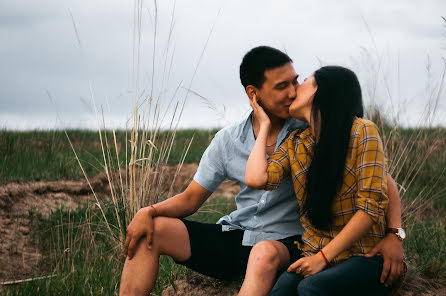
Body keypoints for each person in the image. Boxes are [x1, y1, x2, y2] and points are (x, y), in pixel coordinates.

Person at [119, 47, 405, 296]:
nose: (293, 92)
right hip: (238, 234)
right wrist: (150, 211)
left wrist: (394, 234)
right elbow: (192, 199)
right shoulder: (237, 141)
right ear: (254, 94)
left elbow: (381, 181)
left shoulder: (315, 129)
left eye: (297, 82)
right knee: (151, 231)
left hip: (285, 244)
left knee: (266, 255)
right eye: (282, 86)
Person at [245, 65, 405, 295]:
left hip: (365, 256)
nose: (294, 91)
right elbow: (256, 178)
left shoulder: (362, 131)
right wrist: (264, 126)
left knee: (312, 287)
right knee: (284, 290)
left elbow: (371, 206)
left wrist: (394, 234)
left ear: (320, 91)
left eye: (304, 82)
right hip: (313, 254)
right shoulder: (296, 143)